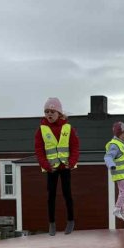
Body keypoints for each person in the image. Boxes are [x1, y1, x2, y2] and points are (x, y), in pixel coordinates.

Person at [34, 97, 79, 236]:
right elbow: (39, 151)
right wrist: (46, 165)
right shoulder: (41, 130)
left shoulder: (68, 128)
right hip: (51, 168)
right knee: (51, 196)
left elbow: (75, 147)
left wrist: (71, 163)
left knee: (67, 194)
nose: (49, 114)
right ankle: (52, 224)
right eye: (47, 111)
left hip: (65, 167)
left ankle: (71, 221)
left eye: (52, 111)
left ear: (59, 113)